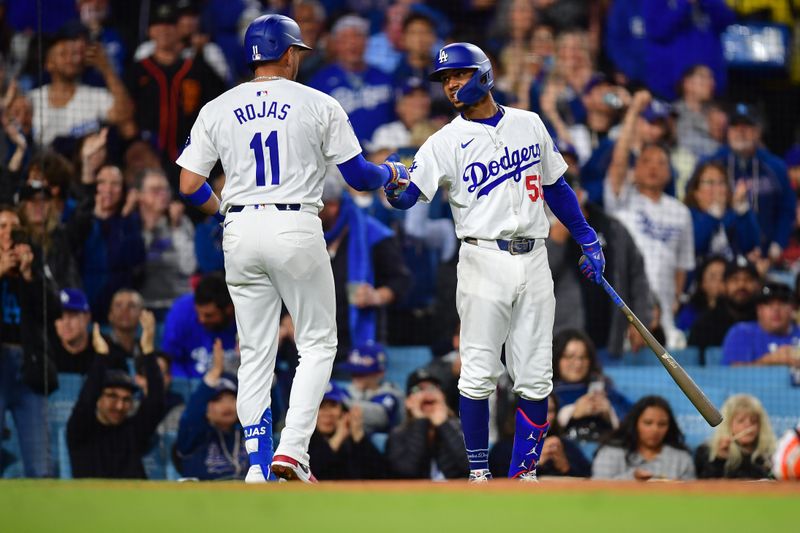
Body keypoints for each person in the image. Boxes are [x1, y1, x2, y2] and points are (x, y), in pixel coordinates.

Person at [176, 14, 409, 483]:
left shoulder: (219, 106)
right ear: (286, 53)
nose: (299, 59)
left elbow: (188, 184)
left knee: (256, 352)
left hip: (240, 228)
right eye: (297, 52)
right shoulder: (319, 102)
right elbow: (360, 178)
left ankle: (258, 465)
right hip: (295, 225)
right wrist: (393, 173)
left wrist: (225, 212)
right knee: (320, 342)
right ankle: (294, 449)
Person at [382, 42, 606, 482]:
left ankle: (524, 475)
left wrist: (587, 239)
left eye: (458, 75)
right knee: (479, 372)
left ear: (483, 74)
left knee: (537, 377)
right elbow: (410, 196)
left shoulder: (529, 123)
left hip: (535, 256)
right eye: (445, 79)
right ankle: (480, 474)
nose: (450, 85)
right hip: (482, 256)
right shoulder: (444, 141)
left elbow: (557, 186)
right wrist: (394, 187)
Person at [605, 90, 695, 348]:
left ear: (670, 173)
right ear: (636, 169)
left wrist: (676, 296)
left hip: (665, 315)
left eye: (661, 163)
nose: (654, 167)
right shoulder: (622, 200)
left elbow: (683, 264)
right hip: (624, 308)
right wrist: (633, 111)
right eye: (647, 161)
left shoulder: (680, 212)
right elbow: (619, 160)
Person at [66, 312, 164, 479]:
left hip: (134, 503)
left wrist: (148, 350)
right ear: (99, 399)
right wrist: (101, 356)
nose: (119, 406)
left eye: (126, 399)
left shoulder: (133, 431)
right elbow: (86, 401)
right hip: (91, 503)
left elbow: (156, 401)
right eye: (112, 396)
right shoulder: (80, 430)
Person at [174, 340, 248, 481]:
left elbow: (271, 409)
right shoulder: (194, 435)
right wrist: (215, 372)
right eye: (218, 400)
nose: (227, 406)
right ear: (205, 407)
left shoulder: (247, 433)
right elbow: (192, 414)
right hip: (204, 499)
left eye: (231, 399)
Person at [385, 369, 469, 480]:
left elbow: (472, 467)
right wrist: (420, 422)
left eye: (433, 388)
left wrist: (443, 424)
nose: (427, 393)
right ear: (408, 402)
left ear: (443, 397)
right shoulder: (398, 434)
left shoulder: (461, 428)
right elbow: (406, 472)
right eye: (418, 389)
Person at [551, 329, 631, 442]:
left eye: (583, 357)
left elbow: (634, 420)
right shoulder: (545, 393)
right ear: (556, 358)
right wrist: (572, 413)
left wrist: (610, 413)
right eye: (569, 357)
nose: (578, 363)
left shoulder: (604, 389)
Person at [592, 395, 695, 481]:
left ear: (669, 426)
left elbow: (694, 498)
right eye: (648, 423)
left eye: (662, 424)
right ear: (634, 423)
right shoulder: (610, 453)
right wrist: (633, 479)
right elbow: (597, 492)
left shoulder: (682, 459)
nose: (655, 430)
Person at [161, 273, 238, 379]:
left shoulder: (245, 318)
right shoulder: (182, 312)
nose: (201, 320)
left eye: (209, 315)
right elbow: (170, 359)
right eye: (198, 313)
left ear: (229, 309)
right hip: (191, 387)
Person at [308, 381, 387, 480]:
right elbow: (311, 475)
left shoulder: (353, 440)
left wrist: (358, 436)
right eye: (321, 407)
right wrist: (338, 438)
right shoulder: (303, 440)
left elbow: (381, 476)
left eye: (333, 406)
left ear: (343, 411)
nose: (327, 413)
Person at [683, 161, 760, 260]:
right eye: (710, 182)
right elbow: (693, 247)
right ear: (696, 192)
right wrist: (713, 214)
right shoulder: (686, 215)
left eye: (722, 182)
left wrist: (741, 208)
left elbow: (750, 247)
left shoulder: (735, 216)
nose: (717, 188)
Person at [688, 255, 761, 353]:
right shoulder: (705, 325)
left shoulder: (767, 322)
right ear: (723, 285)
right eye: (735, 280)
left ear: (757, 285)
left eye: (748, 279)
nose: (741, 285)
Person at [695, 394, 776, 479]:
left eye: (753, 421)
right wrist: (719, 460)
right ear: (727, 424)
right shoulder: (706, 452)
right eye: (741, 421)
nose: (748, 425)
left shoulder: (769, 457)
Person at [722, 282, 800, 367]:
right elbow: (732, 374)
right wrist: (770, 361)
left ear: (792, 308)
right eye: (769, 304)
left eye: (782, 303)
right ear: (759, 309)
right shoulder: (742, 333)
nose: (776, 309)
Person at [338, 341, 403, 434]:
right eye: (353, 372)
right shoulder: (348, 391)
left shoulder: (391, 394)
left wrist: (342, 406)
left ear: (380, 373)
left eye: (362, 373)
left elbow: (380, 417)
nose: (356, 377)